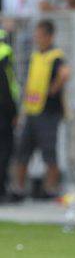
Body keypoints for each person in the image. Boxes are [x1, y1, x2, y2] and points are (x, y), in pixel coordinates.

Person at [13, 20, 70, 200]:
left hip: (49, 113)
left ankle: (50, 189)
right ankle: (18, 189)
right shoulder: (36, 55)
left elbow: (65, 74)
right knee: (23, 151)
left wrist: (53, 89)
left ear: (49, 36)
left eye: (40, 35)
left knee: (49, 153)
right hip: (31, 111)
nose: (37, 38)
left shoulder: (56, 56)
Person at [0, 29, 19, 202]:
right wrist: (13, 111)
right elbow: (6, 87)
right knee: (5, 151)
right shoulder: (4, 52)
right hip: (3, 112)